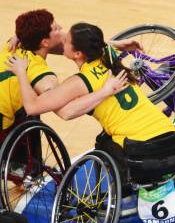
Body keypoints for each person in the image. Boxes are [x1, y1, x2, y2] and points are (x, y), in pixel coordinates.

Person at [5, 22, 175, 185]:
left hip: (138, 146)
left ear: (78, 53)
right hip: (169, 132)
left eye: (66, 41)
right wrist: (22, 35)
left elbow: (40, 108)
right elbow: (95, 42)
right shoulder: (109, 54)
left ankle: (122, 188)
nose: (62, 41)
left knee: (102, 144)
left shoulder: (81, 82)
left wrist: (21, 72)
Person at [0, 9, 141, 136]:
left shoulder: (13, 44)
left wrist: (111, 44)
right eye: (55, 29)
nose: (61, 28)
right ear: (44, 42)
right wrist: (104, 92)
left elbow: (70, 46)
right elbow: (64, 111)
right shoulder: (44, 78)